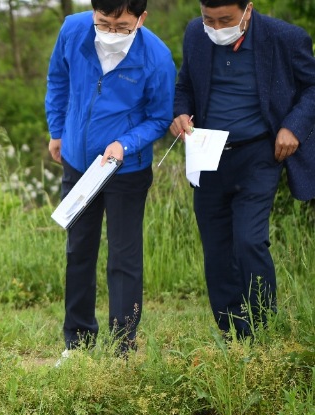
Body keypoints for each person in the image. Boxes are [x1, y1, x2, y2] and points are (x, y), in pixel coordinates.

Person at [170, 0, 315, 339]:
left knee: (249, 241)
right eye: (210, 20)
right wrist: (180, 113)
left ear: (247, 10)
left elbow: (312, 87)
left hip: (259, 154)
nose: (217, 28)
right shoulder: (195, 33)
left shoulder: (285, 38)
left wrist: (293, 126)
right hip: (207, 155)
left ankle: (263, 329)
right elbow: (185, 86)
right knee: (217, 247)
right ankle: (233, 332)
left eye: (226, 20)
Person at [45, 0, 175, 357]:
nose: (112, 32)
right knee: (79, 251)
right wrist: (57, 131)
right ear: (93, 13)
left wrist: (125, 143)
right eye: (104, 23)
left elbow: (160, 118)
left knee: (124, 256)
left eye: (123, 27)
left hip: (126, 169)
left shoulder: (158, 57)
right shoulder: (73, 29)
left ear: (141, 19)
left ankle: (123, 346)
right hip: (77, 164)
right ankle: (78, 342)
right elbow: (58, 79)